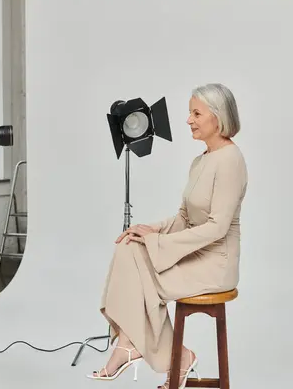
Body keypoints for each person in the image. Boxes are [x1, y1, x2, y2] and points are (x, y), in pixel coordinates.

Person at [88, 83, 248, 388]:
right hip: (195, 253)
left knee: (140, 264)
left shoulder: (231, 160)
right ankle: (133, 344)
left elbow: (217, 227)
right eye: (190, 112)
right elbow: (185, 217)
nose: (189, 120)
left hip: (216, 264)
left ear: (219, 117)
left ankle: (141, 349)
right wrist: (152, 230)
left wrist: (159, 244)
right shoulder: (200, 160)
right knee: (129, 245)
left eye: (196, 113)